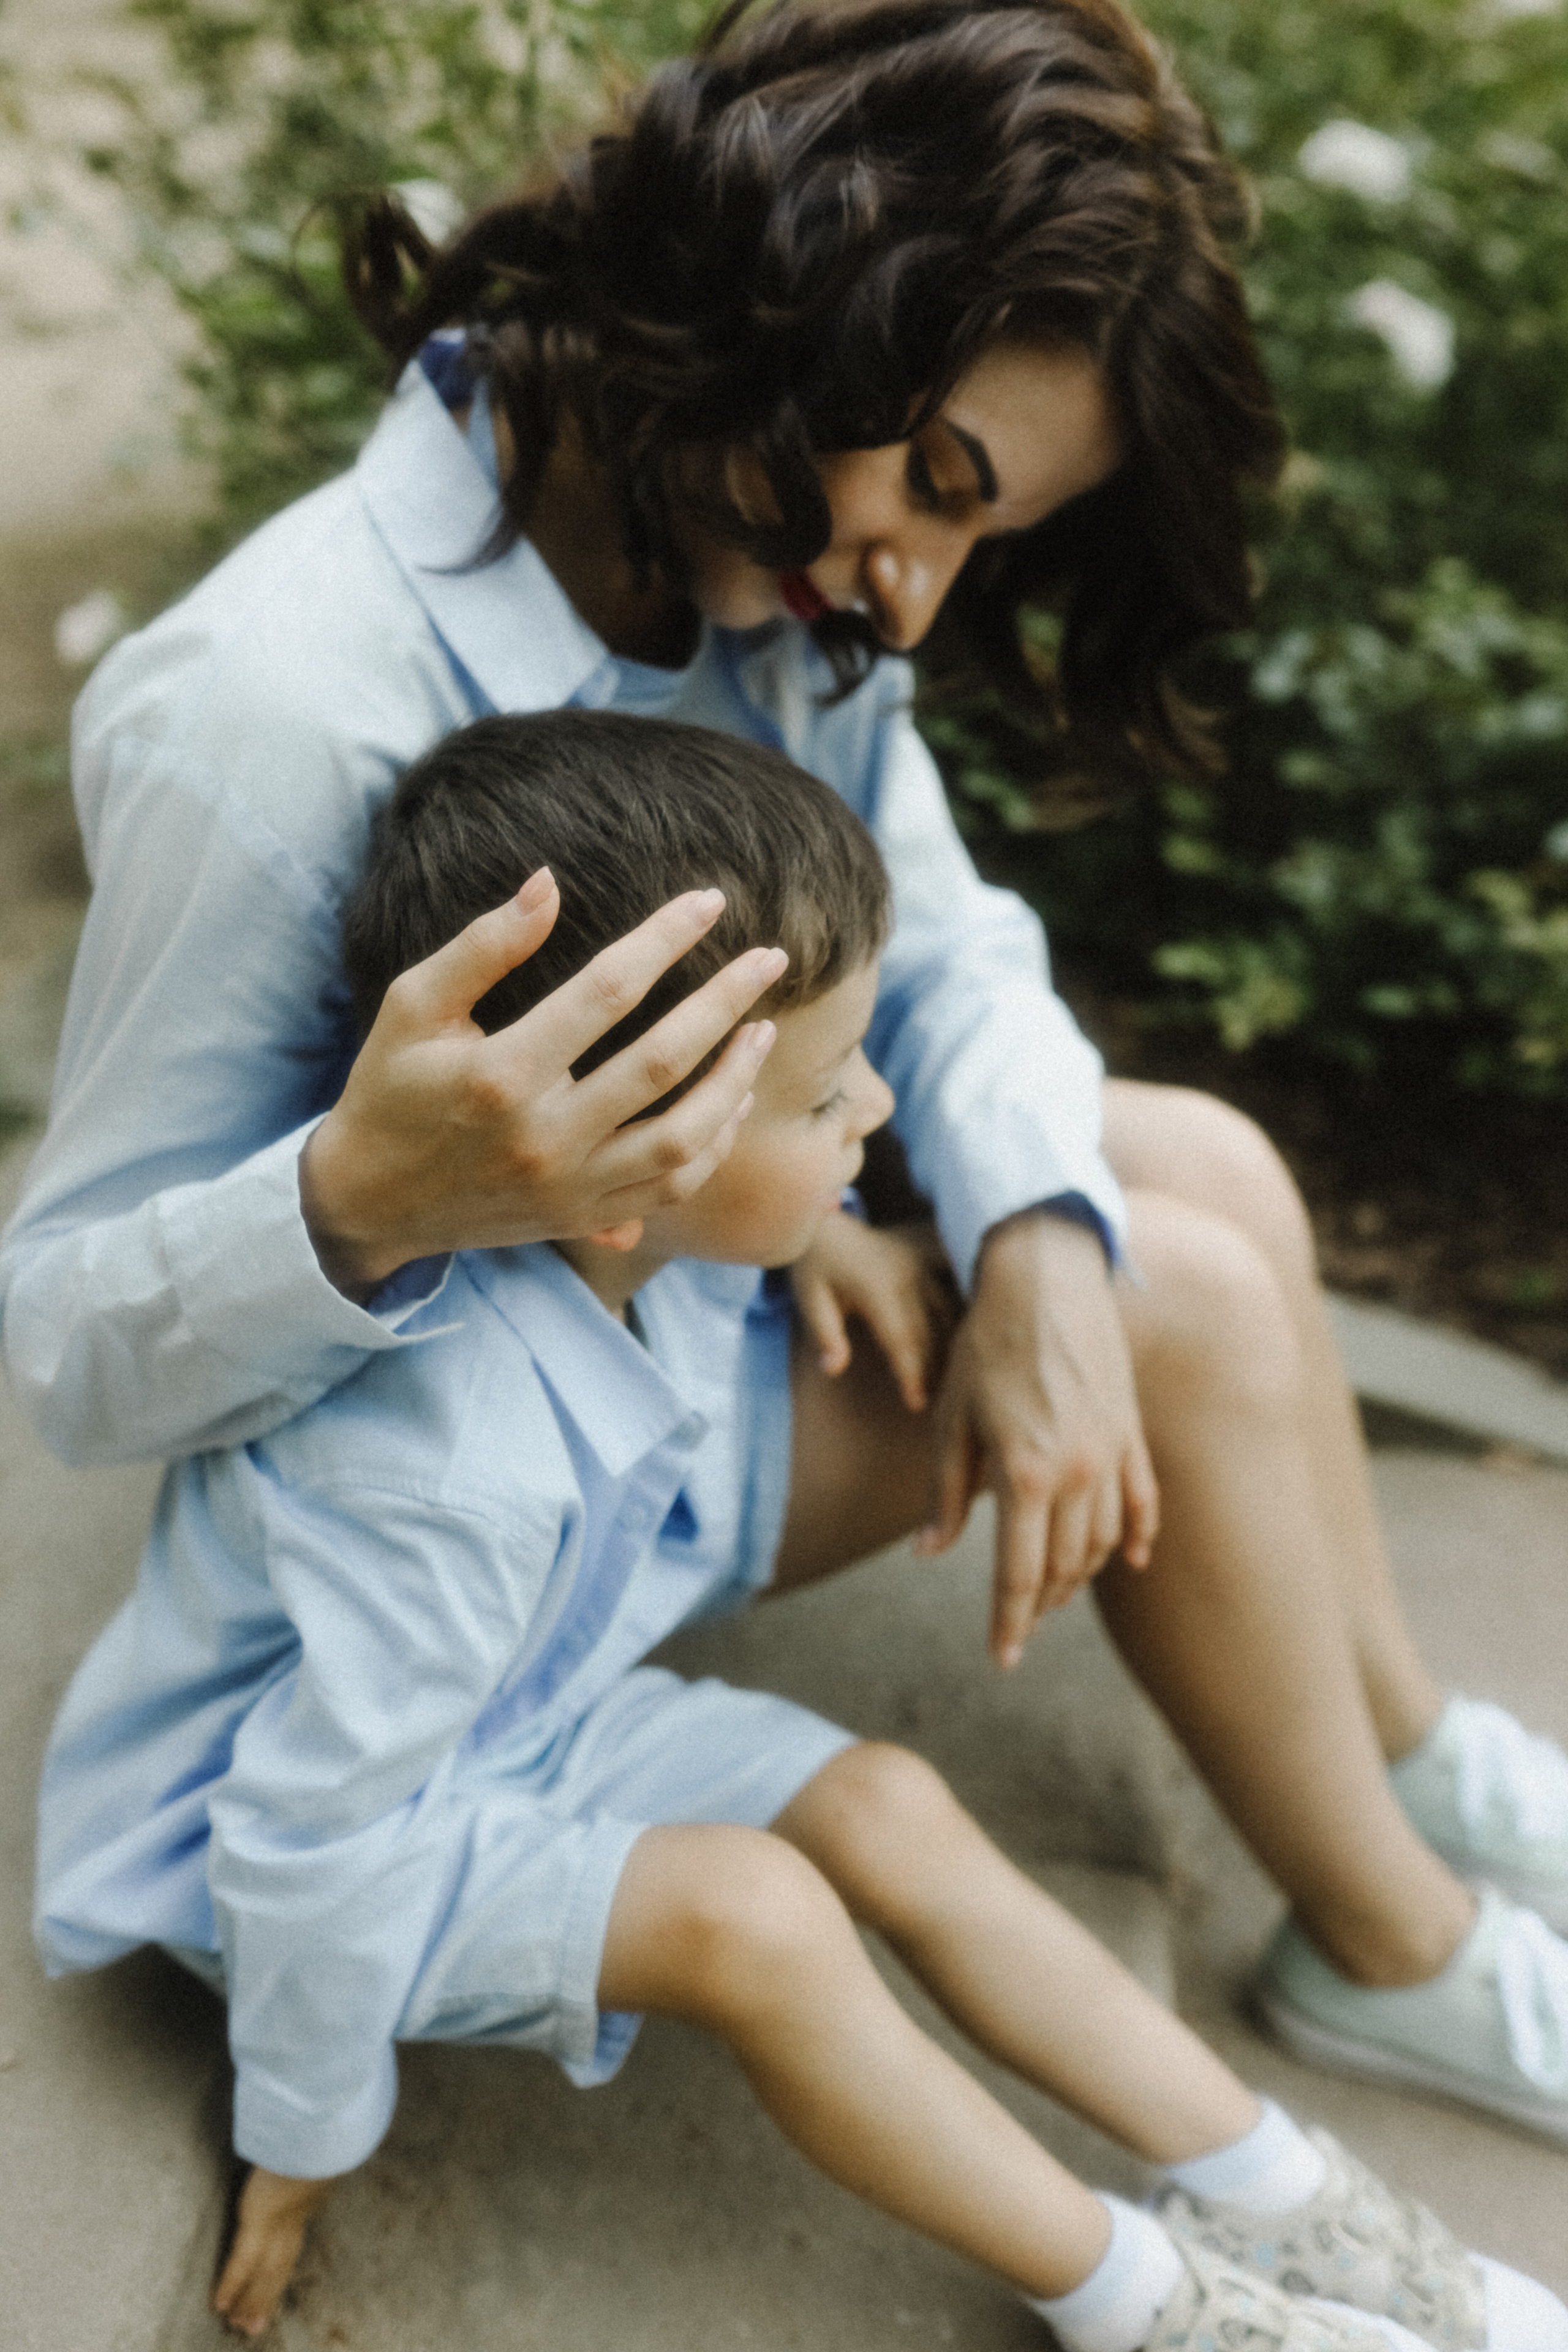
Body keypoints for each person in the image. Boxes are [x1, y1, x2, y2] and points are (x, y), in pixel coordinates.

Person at [7, 0, 1568, 2132]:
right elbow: (69, 1351)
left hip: (704, 1270)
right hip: (482, 1457)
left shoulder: (758, 573)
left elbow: (949, 949)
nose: (912, 603)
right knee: (1181, 1300)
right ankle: (1397, 1951)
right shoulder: (274, 717)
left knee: (1182, 1168)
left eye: (975, 533)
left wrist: (1022, 1233)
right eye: (930, 482)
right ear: (794, 299)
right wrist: (361, 1200)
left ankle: (1400, 1752)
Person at [34, 713, 1564, 2349]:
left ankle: (1272, 2182)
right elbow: (306, 1841)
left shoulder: (604, 1241)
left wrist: (808, 1231)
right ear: (635, 1168)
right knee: (755, 1923)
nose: (877, 1104)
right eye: (831, 1089)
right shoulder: (438, 1474)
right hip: (301, 1834)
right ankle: (1146, 2298)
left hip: (510, 1717)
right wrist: (303, 2131)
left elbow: (727, 1206)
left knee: (887, 1803)